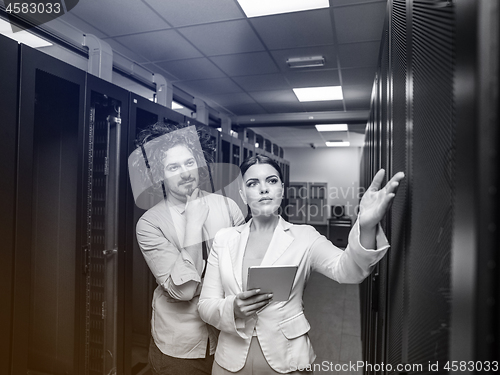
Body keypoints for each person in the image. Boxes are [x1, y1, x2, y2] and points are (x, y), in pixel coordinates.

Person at [198, 155, 405, 374]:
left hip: (288, 359)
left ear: (283, 189)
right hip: (230, 359)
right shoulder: (224, 238)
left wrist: (367, 225)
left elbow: (348, 271)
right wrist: (232, 309)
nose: (263, 189)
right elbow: (205, 305)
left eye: (271, 180)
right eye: (252, 183)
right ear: (242, 194)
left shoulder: (305, 236)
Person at [133, 122, 246, 375]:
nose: (185, 173)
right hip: (180, 349)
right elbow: (184, 291)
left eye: (189, 162)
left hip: (229, 337)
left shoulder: (229, 207)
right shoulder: (150, 224)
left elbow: (244, 271)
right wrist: (193, 225)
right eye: (173, 167)